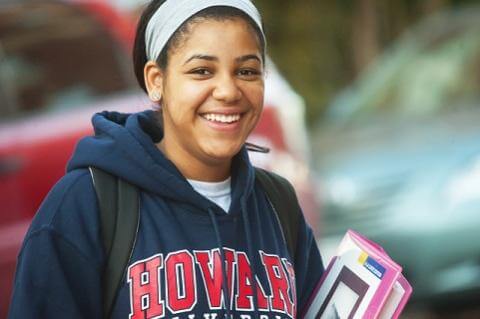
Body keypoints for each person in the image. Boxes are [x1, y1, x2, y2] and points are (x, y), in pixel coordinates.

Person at [8, 0, 324, 318]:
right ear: (156, 81)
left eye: (247, 71)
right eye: (202, 71)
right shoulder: (86, 204)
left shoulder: (277, 204)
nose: (229, 91)